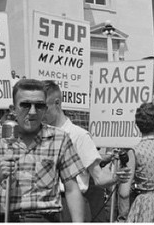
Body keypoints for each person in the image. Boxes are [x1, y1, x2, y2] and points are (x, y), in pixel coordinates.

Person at [0, 78, 86, 222]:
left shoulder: (59, 138)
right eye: (25, 105)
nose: (32, 112)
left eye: (39, 106)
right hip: (5, 221)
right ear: (13, 109)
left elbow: (72, 189)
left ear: (45, 108)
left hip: (45, 222)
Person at [42, 80, 128, 217]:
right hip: (44, 205)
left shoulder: (79, 136)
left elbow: (98, 177)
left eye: (43, 107)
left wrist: (115, 177)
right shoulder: (39, 135)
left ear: (57, 103)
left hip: (68, 206)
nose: (38, 112)